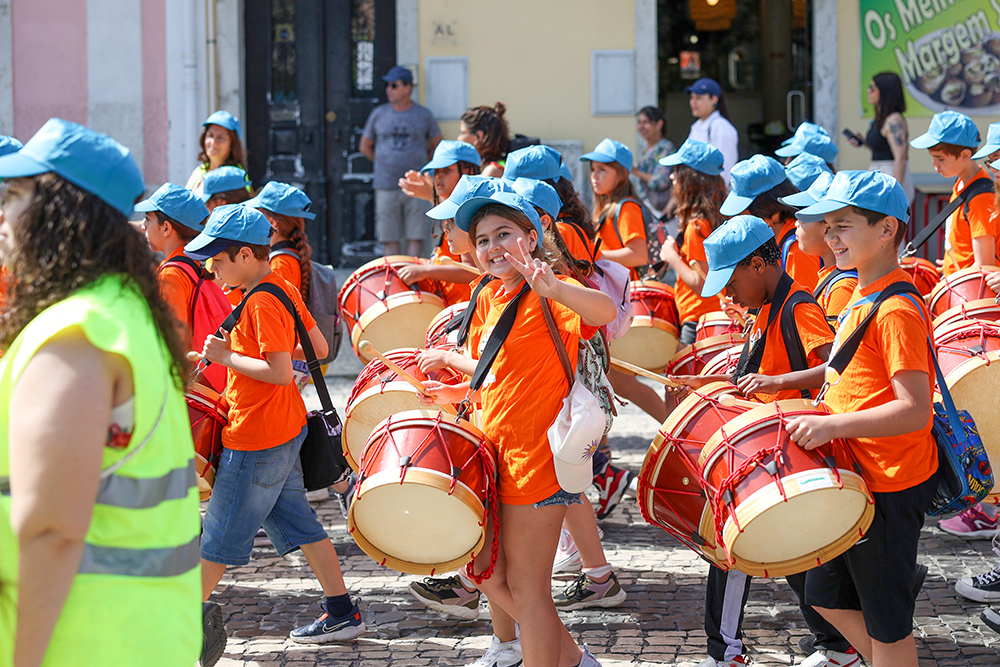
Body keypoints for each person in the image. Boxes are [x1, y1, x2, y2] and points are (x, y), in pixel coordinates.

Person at [0, 118, 203, 665]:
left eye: (15, 196)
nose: (2, 216)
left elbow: (50, 528)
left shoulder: (78, 331)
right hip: (138, 636)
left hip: (82, 641)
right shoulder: (125, 312)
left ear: (60, 212)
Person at [422, 189, 615, 667]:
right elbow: (497, 369)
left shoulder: (552, 288)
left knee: (528, 590)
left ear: (532, 237)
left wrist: (555, 288)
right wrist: (456, 389)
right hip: (495, 456)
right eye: (483, 239)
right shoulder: (487, 294)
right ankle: (573, 659)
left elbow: (606, 313)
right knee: (488, 574)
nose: (492, 247)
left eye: (504, 234)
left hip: (539, 461)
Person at [184, 204, 366, 646]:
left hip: (256, 437)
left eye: (218, 259)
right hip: (284, 429)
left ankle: (174, 627)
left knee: (217, 537)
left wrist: (228, 358)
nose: (211, 268)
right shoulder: (279, 286)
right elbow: (318, 346)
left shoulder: (261, 300)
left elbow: (281, 370)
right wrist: (237, 357)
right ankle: (342, 612)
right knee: (303, 525)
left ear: (245, 256)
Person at [667, 214, 842, 667]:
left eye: (730, 281)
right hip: (769, 448)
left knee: (773, 550)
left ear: (758, 267)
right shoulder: (763, 309)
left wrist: (775, 380)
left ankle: (828, 645)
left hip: (798, 447)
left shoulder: (798, 307)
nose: (727, 293)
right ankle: (827, 644)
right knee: (773, 550)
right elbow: (753, 377)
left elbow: (835, 368)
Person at [786, 170, 939, 667]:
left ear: (887, 229)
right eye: (827, 226)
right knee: (824, 593)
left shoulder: (896, 308)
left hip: (892, 483)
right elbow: (843, 367)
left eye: (844, 226)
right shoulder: (860, 293)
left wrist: (832, 426)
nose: (830, 237)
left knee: (888, 624)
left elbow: (914, 410)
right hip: (858, 476)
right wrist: (782, 387)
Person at [360, 65, 443, 257]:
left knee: (416, 235)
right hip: (386, 184)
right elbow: (365, 146)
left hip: (416, 185)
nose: (389, 89)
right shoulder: (379, 114)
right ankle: (395, 282)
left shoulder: (423, 115)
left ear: (408, 88)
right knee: (389, 237)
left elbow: (438, 145)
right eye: (388, 85)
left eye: (394, 85)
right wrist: (382, 163)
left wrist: (425, 168)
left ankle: (413, 279)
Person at [657, 139, 727, 346]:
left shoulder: (697, 226)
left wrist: (672, 258)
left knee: (680, 377)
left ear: (690, 179)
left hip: (698, 318)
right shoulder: (719, 215)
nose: (671, 176)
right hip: (715, 315)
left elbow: (702, 283)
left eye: (677, 170)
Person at [396, 140, 481, 305]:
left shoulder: (466, 213)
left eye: (447, 170)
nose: (439, 176)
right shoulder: (450, 208)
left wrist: (425, 270)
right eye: (436, 171)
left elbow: (473, 271)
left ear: (468, 171)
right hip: (450, 304)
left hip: (466, 306)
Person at [910, 110, 995, 274]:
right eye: (933, 157)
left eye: (940, 158)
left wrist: (953, 279)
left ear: (965, 155)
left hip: (971, 295)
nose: (935, 164)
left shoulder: (980, 197)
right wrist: (951, 265)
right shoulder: (962, 183)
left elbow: (984, 265)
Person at [721, 155, 822, 291]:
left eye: (745, 214)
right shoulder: (781, 240)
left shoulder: (797, 250)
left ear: (772, 210)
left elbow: (806, 307)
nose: (741, 220)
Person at [780, 173, 858, 323]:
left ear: (827, 228)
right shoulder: (828, 276)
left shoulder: (842, 288)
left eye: (803, 218)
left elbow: (835, 346)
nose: (796, 223)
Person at [846, 72, 914, 203]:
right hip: (878, 173)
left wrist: (896, 190)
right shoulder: (881, 118)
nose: (868, 91)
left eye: (873, 88)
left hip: (891, 175)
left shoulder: (894, 120)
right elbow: (883, 148)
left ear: (885, 91)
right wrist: (864, 143)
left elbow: (900, 156)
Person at [684, 78, 739, 183]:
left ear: (714, 99)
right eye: (692, 97)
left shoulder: (721, 127)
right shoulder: (697, 126)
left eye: (699, 98)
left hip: (713, 195)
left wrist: (715, 195)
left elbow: (725, 167)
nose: (693, 102)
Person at [185, 110, 248, 197]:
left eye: (221, 137)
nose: (213, 142)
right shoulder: (199, 171)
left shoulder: (236, 176)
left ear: (233, 144)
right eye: (210, 135)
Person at [632, 106, 676, 215]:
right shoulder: (645, 150)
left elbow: (660, 181)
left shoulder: (665, 148)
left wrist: (636, 172)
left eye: (646, 122)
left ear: (659, 124)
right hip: (646, 207)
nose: (641, 127)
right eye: (639, 122)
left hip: (660, 210)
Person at [458, 103, 510, 177]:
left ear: (479, 136)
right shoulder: (486, 166)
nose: (458, 139)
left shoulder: (492, 171)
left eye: (462, 133)